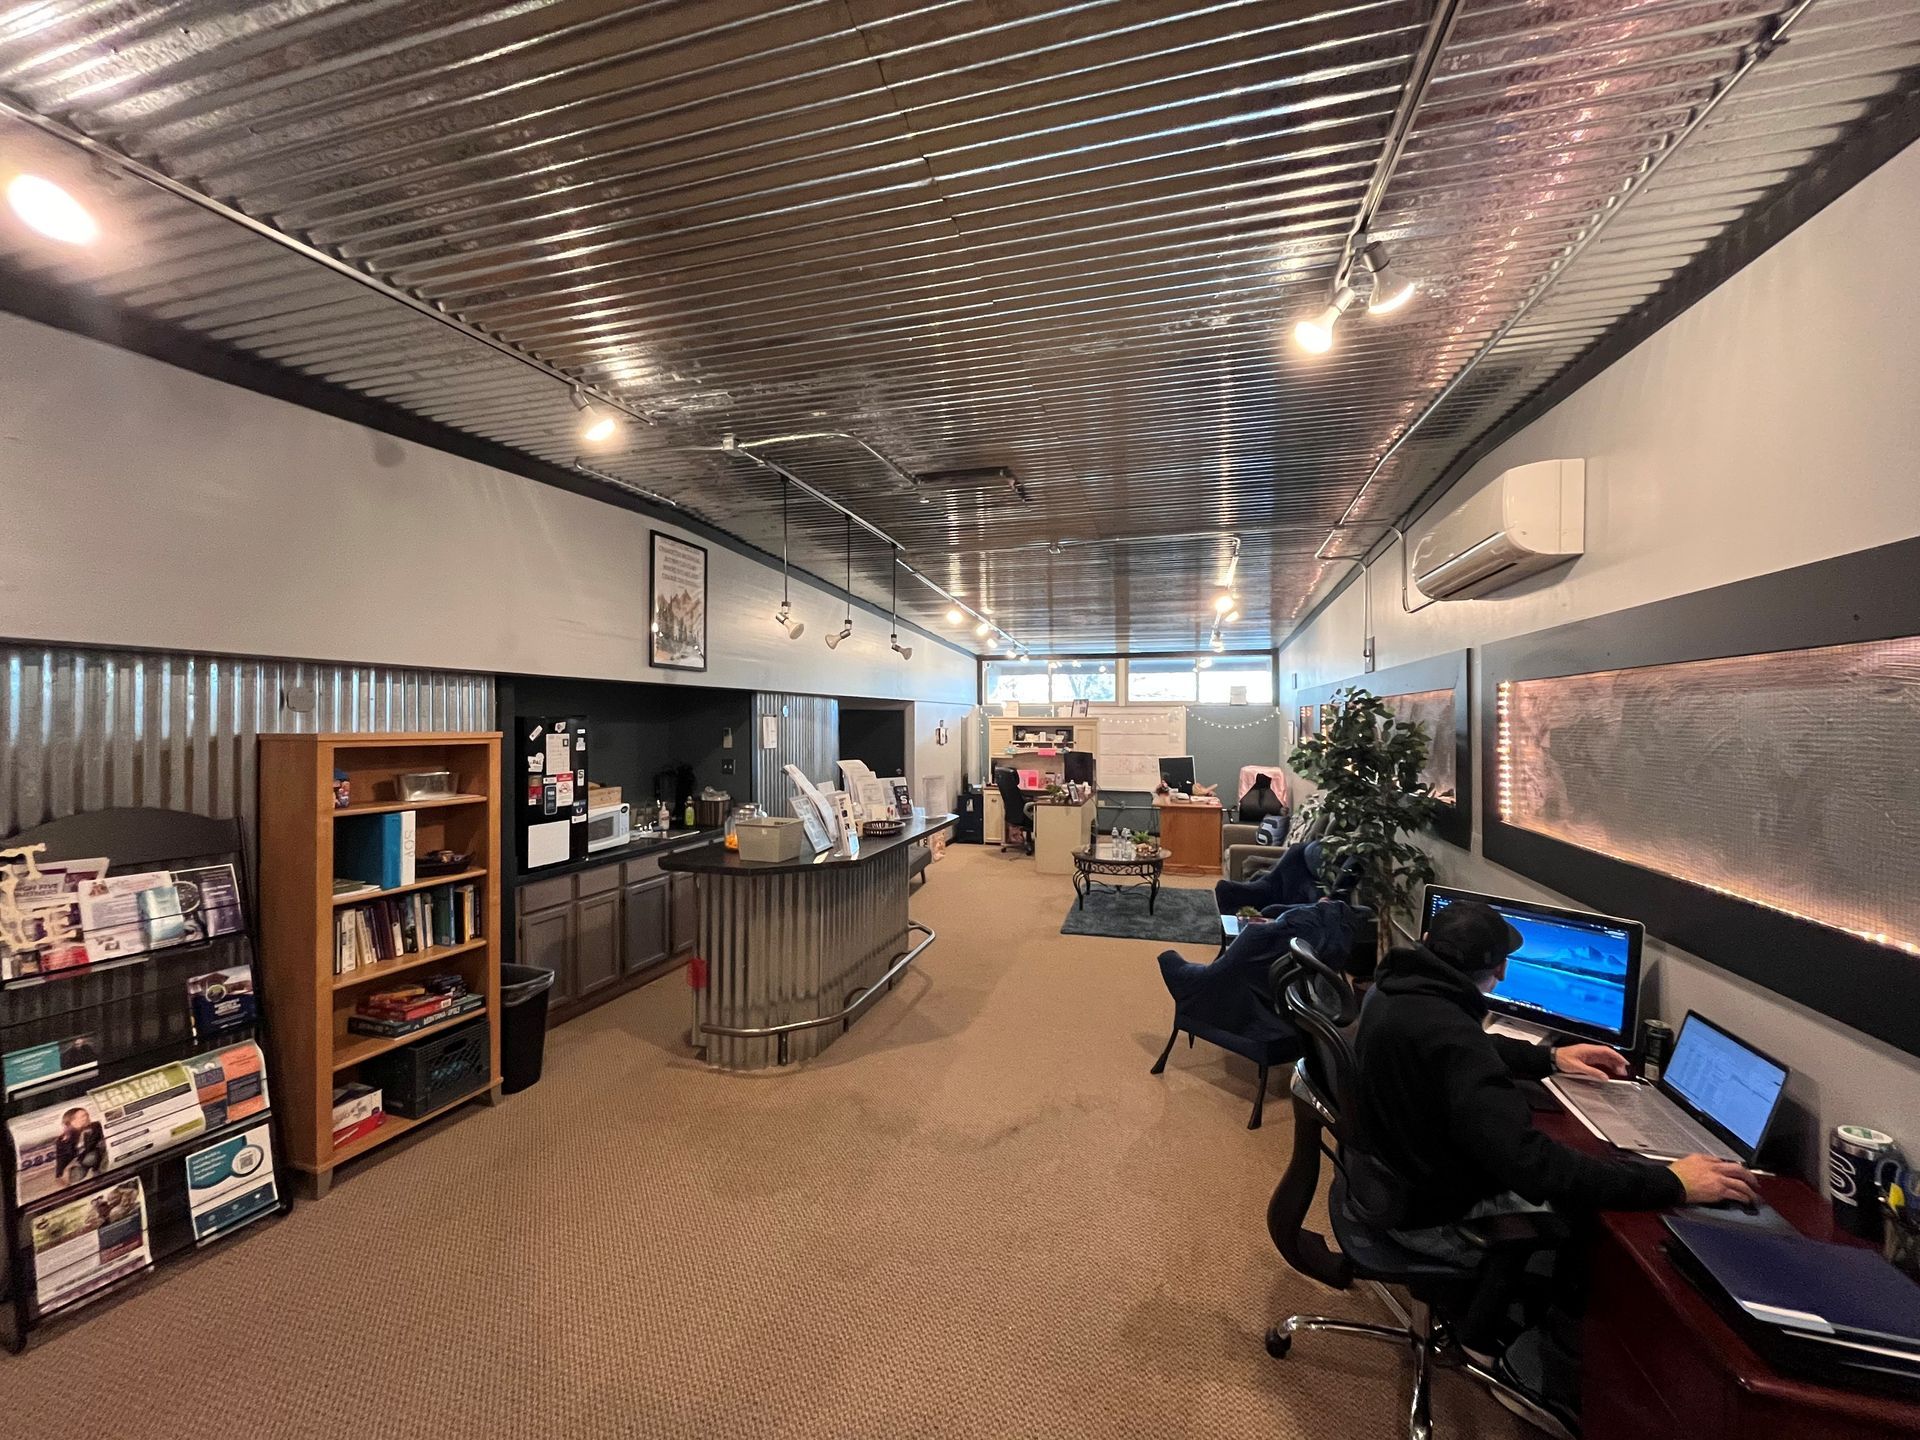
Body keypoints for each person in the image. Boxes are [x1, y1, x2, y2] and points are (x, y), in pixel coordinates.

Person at [1348, 898, 1757, 1415]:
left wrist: (1549, 1057)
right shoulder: (1451, 1032)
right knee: (1582, 1216)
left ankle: (1486, 1314)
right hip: (1429, 1217)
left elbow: (1463, 1050)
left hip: (1389, 1184)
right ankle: (1497, 1343)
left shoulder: (1395, 990)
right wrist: (1673, 1184)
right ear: (1497, 970)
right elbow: (1533, 1166)